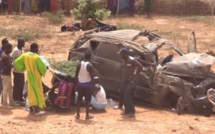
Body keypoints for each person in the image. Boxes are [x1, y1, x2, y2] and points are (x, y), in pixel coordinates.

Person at [14, 43, 47, 115]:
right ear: (34, 48)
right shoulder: (36, 57)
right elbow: (42, 68)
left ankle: (31, 109)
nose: (37, 50)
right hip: (36, 77)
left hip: (29, 76)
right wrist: (45, 69)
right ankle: (37, 110)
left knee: (31, 92)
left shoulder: (25, 55)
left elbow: (16, 62)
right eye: (37, 48)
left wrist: (24, 68)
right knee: (37, 92)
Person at [118, 48, 143, 117]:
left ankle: (132, 111)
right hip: (124, 81)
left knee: (127, 95)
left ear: (125, 54)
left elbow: (140, 67)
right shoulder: (123, 61)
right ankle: (126, 111)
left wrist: (135, 75)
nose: (120, 55)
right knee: (124, 95)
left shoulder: (132, 60)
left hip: (130, 81)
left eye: (121, 54)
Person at [75, 52, 95, 120]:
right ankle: (87, 115)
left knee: (79, 100)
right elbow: (92, 77)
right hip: (87, 85)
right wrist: (93, 87)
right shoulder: (90, 66)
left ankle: (77, 114)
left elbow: (75, 76)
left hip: (80, 84)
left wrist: (76, 85)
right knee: (87, 101)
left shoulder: (79, 64)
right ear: (90, 57)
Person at [11, 38, 25, 103]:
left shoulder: (22, 49)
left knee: (21, 84)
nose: (24, 43)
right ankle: (15, 98)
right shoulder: (15, 50)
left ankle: (20, 97)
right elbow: (11, 58)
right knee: (17, 84)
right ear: (19, 43)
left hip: (21, 70)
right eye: (23, 42)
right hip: (16, 70)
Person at [1, 43, 15, 108]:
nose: (11, 49)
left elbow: (11, 60)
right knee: (5, 89)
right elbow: (10, 65)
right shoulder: (5, 56)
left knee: (10, 88)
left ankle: (11, 101)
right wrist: (13, 63)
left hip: (8, 74)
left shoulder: (7, 54)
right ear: (6, 48)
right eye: (10, 48)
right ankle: (5, 104)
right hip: (5, 75)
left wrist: (11, 61)